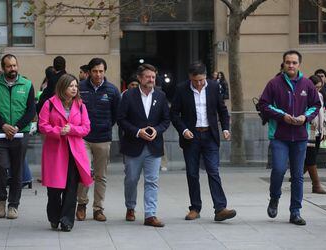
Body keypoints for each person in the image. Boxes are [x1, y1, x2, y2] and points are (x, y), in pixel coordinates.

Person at [258, 50, 321, 226]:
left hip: (300, 136)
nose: (291, 65)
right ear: (283, 64)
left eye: (294, 62)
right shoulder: (274, 83)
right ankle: (274, 197)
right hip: (279, 135)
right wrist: (282, 115)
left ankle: (295, 211)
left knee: (298, 176)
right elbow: (264, 105)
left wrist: (305, 118)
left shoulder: (307, 84)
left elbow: (316, 105)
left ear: (299, 64)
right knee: (278, 169)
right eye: (288, 62)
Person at [170, 62, 236, 223]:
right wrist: (184, 130)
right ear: (190, 78)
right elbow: (174, 113)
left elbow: (222, 110)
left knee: (213, 171)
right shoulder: (181, 89)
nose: (199, 84)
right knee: (192, 173)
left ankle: (220, 208)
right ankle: (195, 208)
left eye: (201, 80)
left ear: (205, 76)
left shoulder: (213, 87)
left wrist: (225, 128)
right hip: (191, 137)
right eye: (195, 81)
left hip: (210, 136)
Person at [39, 74, 93, 232]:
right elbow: (42, 125)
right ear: (63, 87)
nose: (74, 89)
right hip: (55, 151)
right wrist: (58, 131)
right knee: (54, 189)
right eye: (71, 86)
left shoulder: (81, 105)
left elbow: (86, 127)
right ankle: (54, 217)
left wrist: (72, 129)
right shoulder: (49, 104)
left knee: (71, 188)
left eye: (76, 86)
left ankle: (67, 220)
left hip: (74, 152)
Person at [118, 63, 170, 227]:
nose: (151, 80)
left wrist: (157, 130)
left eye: (153, 77)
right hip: (133, 145)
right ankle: (130, 207)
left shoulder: (161, 96)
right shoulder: (128, 95)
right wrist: (137, 131)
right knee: (131, 180)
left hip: (154, 146)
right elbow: (121, 119)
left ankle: (150, 214)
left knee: (152, 181)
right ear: (140, 78)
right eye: (148, 77)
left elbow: (166, 120)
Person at [0, 54, 36, 219]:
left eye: (15, 65)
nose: (13, 69)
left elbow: (31, 111)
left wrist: (16, 127)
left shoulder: (27, 84)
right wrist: (3, 125)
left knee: (17, 170)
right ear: (3, 68)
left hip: (19, 133)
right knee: (1, 166)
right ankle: (1, 200)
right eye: (9, 66)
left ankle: (13, 205)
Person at [76, 58, 120, 222]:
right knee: (84, 172)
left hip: (103, 138)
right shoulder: (80, 88)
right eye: (95, 71)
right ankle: (81, 204)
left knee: (101, 176)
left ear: (105, 71)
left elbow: (116, 114)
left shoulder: (112, 90)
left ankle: (98, 209)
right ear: (89, 72)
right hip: (83, 138)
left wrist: (107, 126)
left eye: (101, 71)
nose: (98, 74)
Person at [304, 75, 326, 194]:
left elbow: (323, 112)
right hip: (309, 129)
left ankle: (295, 177)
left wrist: (325, 130)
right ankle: (316, 184)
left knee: (310, 158)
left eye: (319, 87)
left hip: (318, 130)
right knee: (311, 158)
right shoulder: (304, 96)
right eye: (315, 87)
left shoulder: (320, 96)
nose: (317, 90)